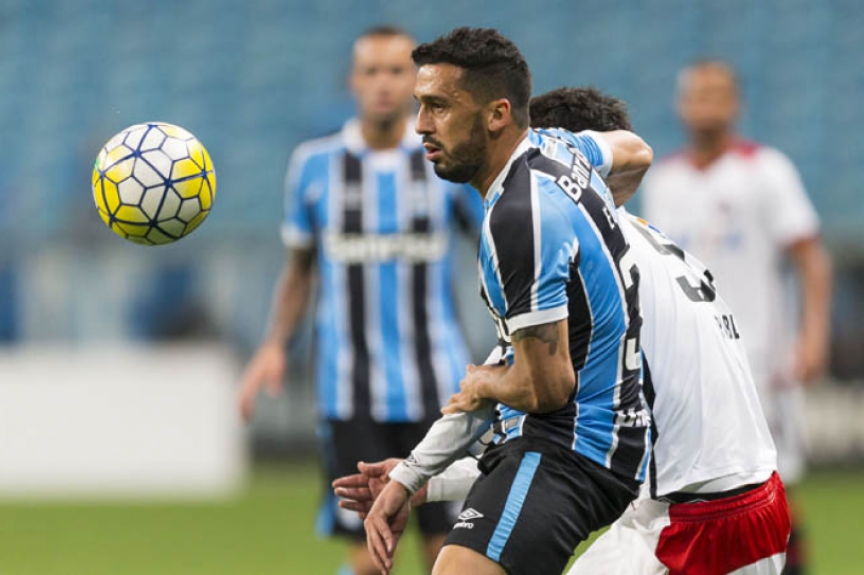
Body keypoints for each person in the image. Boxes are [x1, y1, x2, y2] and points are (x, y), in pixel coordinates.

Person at [336, 87, 793, 574]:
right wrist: (428, 480)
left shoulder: (581, 263)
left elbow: (519, 408)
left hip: (698, 524)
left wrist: (418, 469)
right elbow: (564, 445)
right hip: (734, 505)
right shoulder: (650, 242)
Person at [360, 28, 654, 575]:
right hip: (574, 442)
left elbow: (545, 386)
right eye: (420, 106)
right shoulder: (559, 151)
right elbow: (637, 151)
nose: (421, 125)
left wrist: (481, 382)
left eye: (439, 107)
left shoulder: (520, 218)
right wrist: (410, 475)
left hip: (568, 449)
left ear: (497, 114)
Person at [236, 25, 482, 575]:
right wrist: (275, 344)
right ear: (353, 81)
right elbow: (299, 269)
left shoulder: (445, 164)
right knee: (371, 560)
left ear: (416, 84)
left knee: (446, 556)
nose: (383, 84)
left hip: (439, 391)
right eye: (371, 71)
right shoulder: (314, 165)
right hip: (350, 393)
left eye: (396, 71)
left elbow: (498, 249)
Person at [642, 60, 832, 574]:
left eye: (717, 94)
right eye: (697, 94)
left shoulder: (766, 171)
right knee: (696, 494)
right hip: (688, 369)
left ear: (736, 103)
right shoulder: (664, 179)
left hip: (759, 360)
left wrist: (812, 337)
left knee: (775, 486)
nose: (707, 104)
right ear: (681, 104)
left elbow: (811, 257)